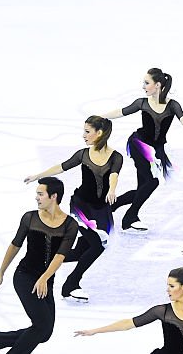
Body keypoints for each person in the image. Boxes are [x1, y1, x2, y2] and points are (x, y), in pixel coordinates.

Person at [0, 178, 78, 354]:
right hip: (24, 277)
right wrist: (1, 272)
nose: (36, 198)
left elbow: (60, 256)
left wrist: (44, 278)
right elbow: (15, 245)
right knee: (41, 326)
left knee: (45, 332)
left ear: (54, 197)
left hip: (44, 280)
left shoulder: (70, 225)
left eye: (41, 194)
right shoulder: (29, 218)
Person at [24, 116, 123, 301]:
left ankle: (43, 259)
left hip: (101, 210)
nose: (83, 135)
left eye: (87, 131)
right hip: (81, 207)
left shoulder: (116, 157)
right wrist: (38, 175)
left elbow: (114, 176)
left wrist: (112, 189)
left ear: (99, 133)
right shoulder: (83, 154)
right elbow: (61, 167)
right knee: (97, 246)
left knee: (80, 252)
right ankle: (71, 285)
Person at [102, 67, 183, 231]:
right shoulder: (142, 103)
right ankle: (128, 215)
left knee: (143, 186)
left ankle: (116, 210)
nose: (143, 86)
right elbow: (121, 112)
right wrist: (102, 116)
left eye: (146, 83)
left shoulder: (172, 105)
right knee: (152, 182)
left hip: (157, 149)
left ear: (157, 85)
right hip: (139, 145)